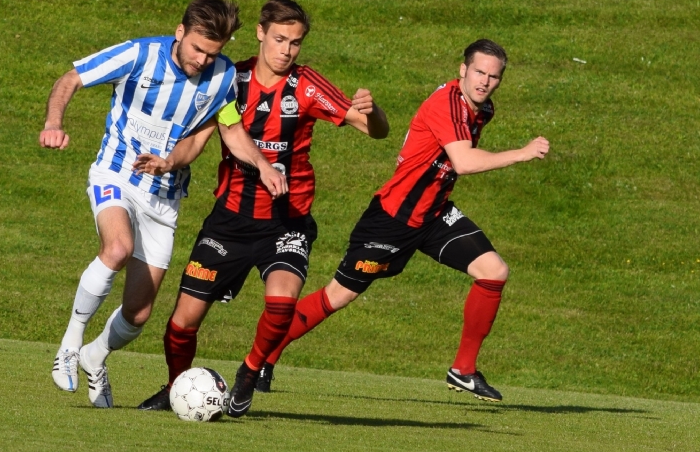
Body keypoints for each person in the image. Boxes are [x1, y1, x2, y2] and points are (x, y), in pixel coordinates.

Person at [227, 38, 548, 416]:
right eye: (479, 72)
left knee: (494, 271)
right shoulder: (446, 104)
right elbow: (462, 162)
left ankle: (463, 369)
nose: (485, 82)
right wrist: (522, 153)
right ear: (463, 69)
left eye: (494, 77)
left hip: (434, 214)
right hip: (392, 220)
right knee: (337, 296)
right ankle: (265, 358)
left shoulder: (483, 108)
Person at [130, 0, 389, 412]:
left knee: (282, 301)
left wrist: (372, 112)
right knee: (181, 323)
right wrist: (168, 162)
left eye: (295, 42)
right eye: (280, 39)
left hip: (287, 221)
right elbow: (198, 138)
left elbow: (376, 131)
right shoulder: (230, 80)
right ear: (260, 33)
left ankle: (250, 372)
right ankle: (175, 388)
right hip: (229, 222)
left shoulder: (306, 86)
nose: (287, 50)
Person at [41, 0, 286, 408]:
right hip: (116, 174)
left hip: (164, 198)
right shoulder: (139, 55)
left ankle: (94, 356)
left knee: (137, 315)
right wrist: (54, 123)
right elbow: (71, 79)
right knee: (117, 248)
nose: (203, 60)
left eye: (212, 53)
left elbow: (229, 129)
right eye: (197, 49)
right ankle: (70, 344)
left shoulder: (224, 76)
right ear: (180, 32)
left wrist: (262, 165)